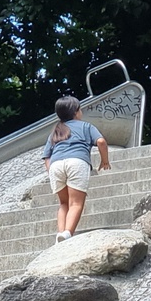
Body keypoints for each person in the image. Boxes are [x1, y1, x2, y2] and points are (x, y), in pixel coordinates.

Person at [42, 96, 110, 242]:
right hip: (77, 162)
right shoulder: (86, 126)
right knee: (76, 203)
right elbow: (101, 141)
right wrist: (105, 161)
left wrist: (51, 172)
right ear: (76, 112)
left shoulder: (56, 131)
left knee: (63, 203)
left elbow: (47, 156)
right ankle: (68, 233)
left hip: (56, 165)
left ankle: (60, 233)